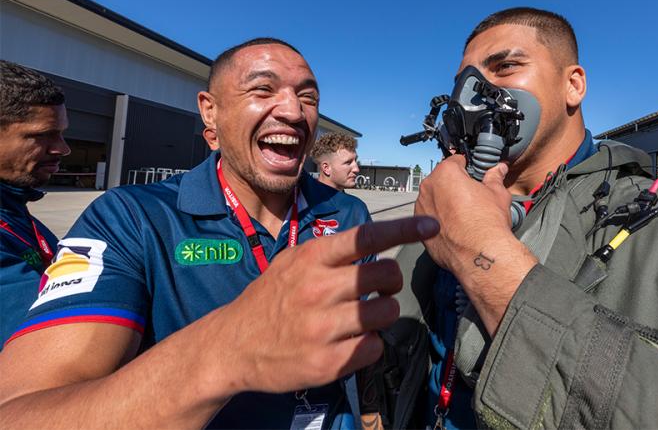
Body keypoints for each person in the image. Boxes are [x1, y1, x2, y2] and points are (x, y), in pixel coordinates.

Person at [380, 8, 658, 429]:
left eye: (505, 67)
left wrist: (482, 254)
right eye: (463, 83)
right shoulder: (439, 218)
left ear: (573, 85)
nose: (472, 96)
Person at [0, 38, 439, 429]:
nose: (292, 110)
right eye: (263, 90)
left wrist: (370, 412)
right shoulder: (130, 218)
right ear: (210, 110)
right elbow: (23, 412)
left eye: (308, 97)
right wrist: (231, 347)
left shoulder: (347, 213)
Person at [0, 60, 71, 345]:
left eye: (62, 133)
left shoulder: (16, 210)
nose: (63, 149)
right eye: (42, 136)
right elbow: (55, 338)